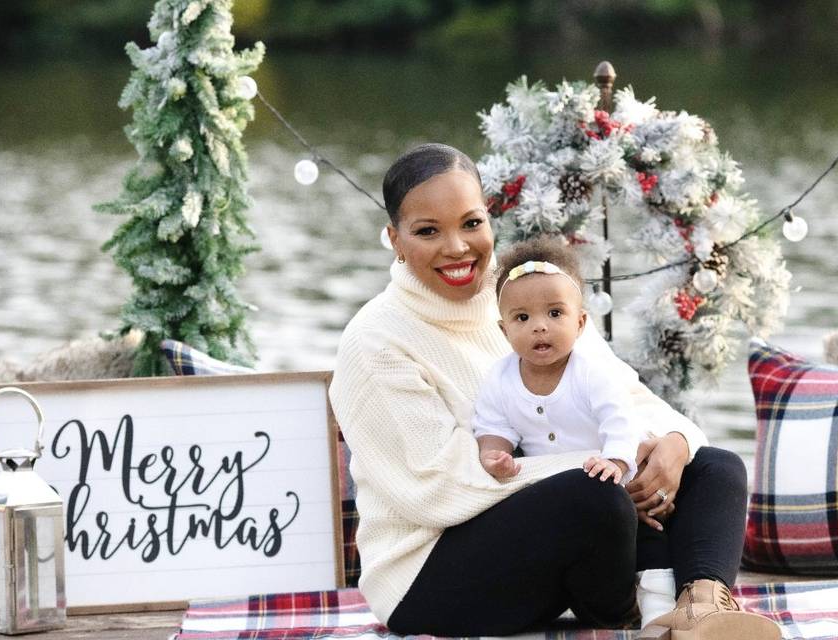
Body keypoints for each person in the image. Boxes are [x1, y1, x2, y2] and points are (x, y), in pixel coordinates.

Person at [328, 142, 781, 640]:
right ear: (395, 238)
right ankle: (627, 609)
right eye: (428, 231)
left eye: (471, 223)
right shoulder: (375, 340)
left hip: (556, 536)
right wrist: (607, 460)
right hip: (429, 578)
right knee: (596, 495)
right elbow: (438, 487)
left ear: (490, 218)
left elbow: (627, 399)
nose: (457, 247)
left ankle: (701, 608)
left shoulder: (532, 295)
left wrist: (670, 444)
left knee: (715, 466)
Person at [472, 236, 674, 628]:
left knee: (651, 540)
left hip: (614, 486)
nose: (540, 327)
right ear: (503, 329)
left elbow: (621, 421)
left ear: (580, 322)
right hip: (564, 503)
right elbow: (492, 426)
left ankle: (659, 613)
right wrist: (493, 454)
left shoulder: (591, 372)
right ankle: (606, 604)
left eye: (554, 313)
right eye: (522, 318)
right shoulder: (498, 380)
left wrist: (616, 460)